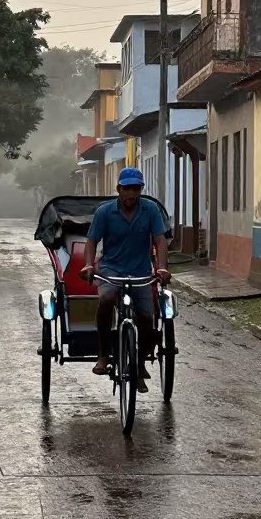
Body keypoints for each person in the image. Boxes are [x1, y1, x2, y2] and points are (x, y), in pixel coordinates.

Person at [80, 167, 171, 394]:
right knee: (107, 298)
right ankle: (103, 354)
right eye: (127, 188)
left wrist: (161, 268)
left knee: (147, 317)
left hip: (141, 271)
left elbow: (160, 241)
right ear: (118, 189)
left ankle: (139, 366)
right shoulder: (104, 212)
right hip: (112, 269)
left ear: (140, 190)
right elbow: (91, 241)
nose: (131, 193)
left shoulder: (150, 210)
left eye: (136, 189)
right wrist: (89, 264)